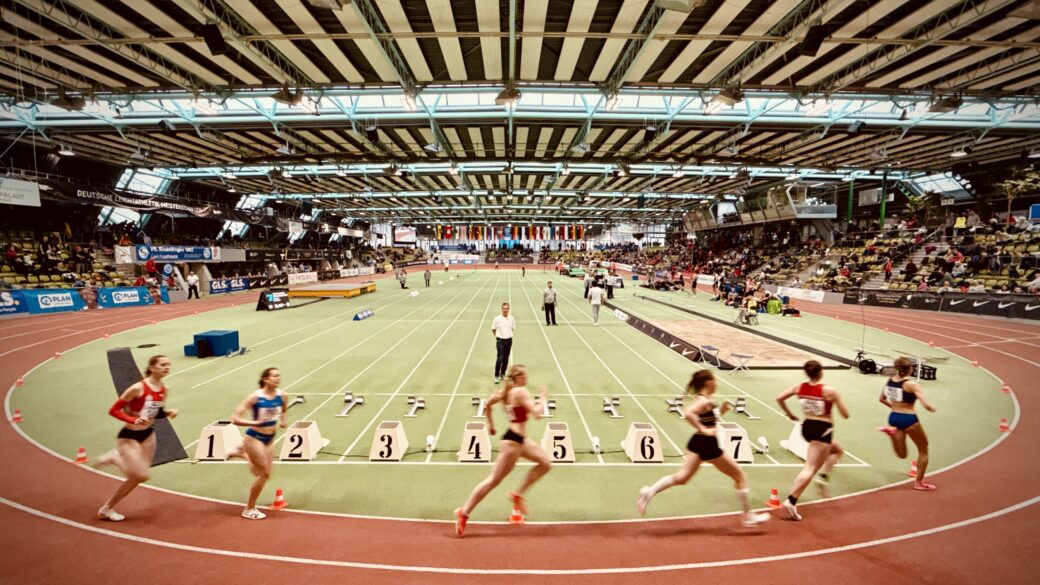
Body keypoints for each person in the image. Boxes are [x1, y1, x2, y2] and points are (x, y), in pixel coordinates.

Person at [636, 370, 770, 528]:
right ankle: (748, 517)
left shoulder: (707, 399)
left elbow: (709, 417)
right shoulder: (703, 401)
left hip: (698, 441)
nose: (717, 384)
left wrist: (723, 410)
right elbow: (687, 413)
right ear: (708, 382)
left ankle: (649, 492)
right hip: (708, 444)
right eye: (715, 380)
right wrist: (704, 429)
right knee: (740, 476)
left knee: (682, 478)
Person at [454, 364, 552, 537]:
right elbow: (537, 414)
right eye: (525, 376)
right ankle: (464, 511)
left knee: (546, 463)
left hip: (519, 440)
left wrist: (490, 424)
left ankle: (517, 495)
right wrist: (543, 398)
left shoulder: (506, 392)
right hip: (512, 443)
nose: (527, 379)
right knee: (493, 481)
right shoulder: (520, 392)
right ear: (519, 378)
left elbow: (487, 403)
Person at [94, 355, 178, 521]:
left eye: (168, 364)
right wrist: (133, 420)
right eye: (162, 365)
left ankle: (106, 509)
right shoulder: (137, 388)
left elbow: (155, 412)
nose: (166, 367)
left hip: (148, 435)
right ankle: (115, 457)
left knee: (136, 478)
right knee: (142, 475)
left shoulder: (164, 389)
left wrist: (168, 412)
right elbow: (114, 410)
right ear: (152, 367)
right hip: (129, 435)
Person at [776, 360, 850, 520]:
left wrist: (789, 414)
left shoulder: (798, 388)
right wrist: (836, 402)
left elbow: (779, 398)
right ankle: (791, 500)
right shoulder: (829, 391)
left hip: (807, 427)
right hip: (823, 429)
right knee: (810, 467)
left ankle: (823, 478)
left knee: (837, 449)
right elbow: (846, 414)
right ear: (821, 372)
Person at [230, 367, 288, 519]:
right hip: (254, 437)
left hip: (269, 439)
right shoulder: (255, 397)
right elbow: (235, 418)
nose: (278, 378)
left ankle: (242, 454)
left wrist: (283, 420)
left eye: (279, 376)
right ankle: (249, 508)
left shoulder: (282, 396)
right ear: (265, 379)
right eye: (274, 376)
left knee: (263, 474)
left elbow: (284, 408)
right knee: (263, 472)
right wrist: (255, 422)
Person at [877, 357, 938, 490]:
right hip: (909, 419)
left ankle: (891, 433)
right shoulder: (912, 385)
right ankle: (919, 483)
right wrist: (932, 408)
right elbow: (926, 404)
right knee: (923, 449)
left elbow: (881, 399)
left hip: (893, 418)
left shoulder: (890, 381)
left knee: (902, 454)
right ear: (910, 369)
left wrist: (894, 408)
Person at [491, 302, 515, 383]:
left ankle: (503, 373)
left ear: (508, 309)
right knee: (500, 358)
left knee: (506, 358)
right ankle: (496, 376)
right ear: (501, 309)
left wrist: (507, 335)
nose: (505, 310)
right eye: (503, 308)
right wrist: (498, 337)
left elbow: (512, 328)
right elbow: (493, 329)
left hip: (509, 340)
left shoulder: (512, 319)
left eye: (506, 308)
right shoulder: (497, 319)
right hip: (500, 341)